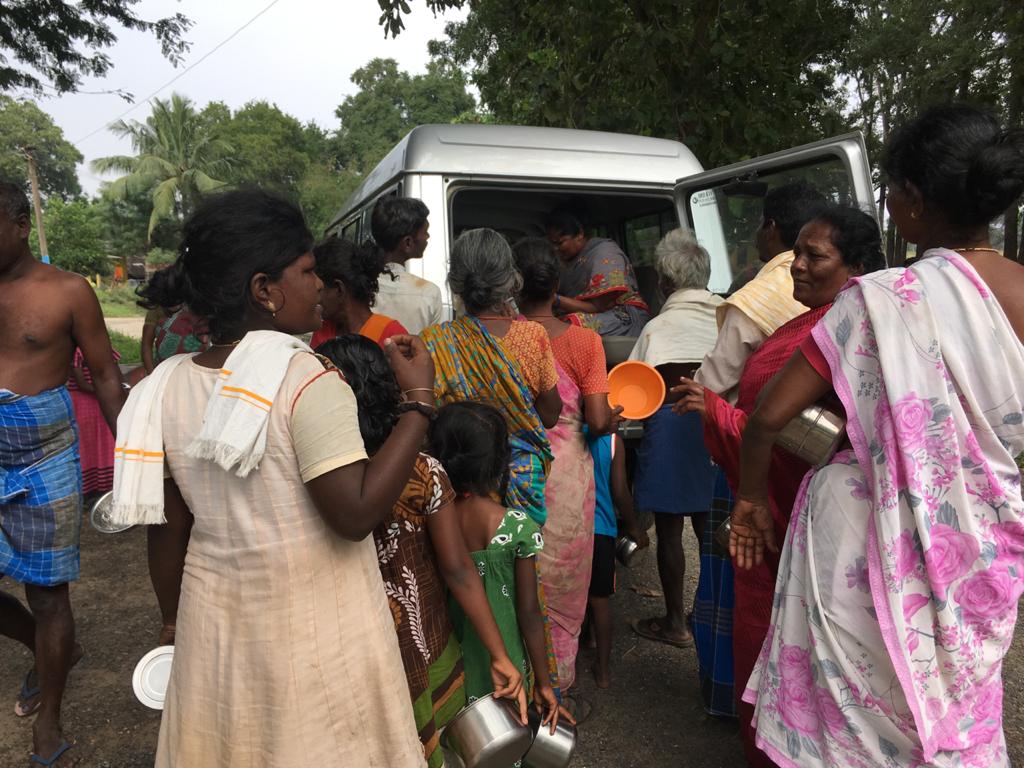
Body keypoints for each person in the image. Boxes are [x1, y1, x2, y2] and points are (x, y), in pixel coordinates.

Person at [734, 105, 1024, 768]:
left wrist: (751, 499)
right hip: (980, 549)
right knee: (951, 710)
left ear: (916, 202)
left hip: (860, 541)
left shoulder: (882, 298)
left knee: (852, 726)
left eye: (892, 191)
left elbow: (770, 417)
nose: (889, 206)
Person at [119, 188, 436, 767]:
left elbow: (168, 530)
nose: (319, 285)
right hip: (315, 627)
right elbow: (355, 514)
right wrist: (417, 403)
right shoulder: (306, 379)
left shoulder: (164, 385)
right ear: (265, 290)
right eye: (308, 271)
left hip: (215, 620)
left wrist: (172, 621)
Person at [675, 204, 886, 767]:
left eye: (815, 256)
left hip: (801, 515)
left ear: (856, 268)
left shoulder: (846, 329)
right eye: (795, 253)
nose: (796, 266)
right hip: (776, 503)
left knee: (795, 643)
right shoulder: (807, 320)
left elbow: (813, 439)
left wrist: (717, 413)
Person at [317, 335, 527, 766]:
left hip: (348, 654)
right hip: (425, 644)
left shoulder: (320, 480)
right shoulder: (423, 470)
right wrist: (500, 654)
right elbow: (458, 571)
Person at [0, 180, 124, 766]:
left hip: (44, 458)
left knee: (48, 595)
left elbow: (104, 375)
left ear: (22, 225)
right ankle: (47, 650)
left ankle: (49, 714)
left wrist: (135, 456)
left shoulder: (69, 291)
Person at [428, 402, 571, 734]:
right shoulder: (516, 526)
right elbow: (529, 613)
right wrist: (545, 682)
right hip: (503, 657)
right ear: (499, 462)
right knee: (504, 736)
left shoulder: (429, 524)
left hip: (447, 658)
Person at [512, 236, 612, 692]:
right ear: (557, 287)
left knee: (515, 574)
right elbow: (595, 419)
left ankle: (513, 684)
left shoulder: (500, 338)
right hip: (568, 479)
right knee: (566, 585)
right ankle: (557, 687)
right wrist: (612, 419)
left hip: (513, 475)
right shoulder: (585, 343)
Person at [420, 228, 561, 526]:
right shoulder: (532, 336)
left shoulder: (433, 341)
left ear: (456, 281)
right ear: (510, 279)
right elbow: (550, 415)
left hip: (460, 482)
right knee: (520, 562)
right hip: (522, 482)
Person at [628, 229, 723, 650]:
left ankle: (674, 623)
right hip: (717, 427)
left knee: (670, 533)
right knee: (710, 529)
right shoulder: (728, 315)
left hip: (669, 429)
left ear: (664, 282)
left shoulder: (658, 327)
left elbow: (633, 385)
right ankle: (708, 614)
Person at [694, 182, 826, 403]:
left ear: (770, 228)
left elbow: (710, 387)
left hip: (757, 425)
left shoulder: (754, 300)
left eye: (759, 224)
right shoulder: (832, 284)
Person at [586, 429, 648, 689]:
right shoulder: (613, 442)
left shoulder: (564, 431)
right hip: (601, 530)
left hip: (569, 528)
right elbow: (620, 490)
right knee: (600, 600)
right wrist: (635, 527)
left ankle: (580, 643)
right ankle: (602, 671)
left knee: (570, 592)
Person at [544, 208, 650, 337]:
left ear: (580, 235)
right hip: (597, 314)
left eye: (559, 243)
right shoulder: (569, 260)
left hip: (623, 316)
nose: (555, 248)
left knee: (564, 326)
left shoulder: (604, 252)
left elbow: (598, 307)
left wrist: (556, 299)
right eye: (551, 243)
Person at [309, 237, 408, 349]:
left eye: (319, 290)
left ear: (339, 289)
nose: (314, 298)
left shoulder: (392, 336)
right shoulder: (322, 332)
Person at [371, 197, 444, 334]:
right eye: (425, 231)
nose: (427, 236)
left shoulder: (359, 284)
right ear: (408, 243)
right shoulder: (429, 293)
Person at [68, 347, 120, 501]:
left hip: (100, 402)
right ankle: (90, 489)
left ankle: (103, 488)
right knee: (87, 445)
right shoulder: (76, 352)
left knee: (103, 443)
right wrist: (109, 391)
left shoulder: (105, 349)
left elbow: (115, 372)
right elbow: (81, 383)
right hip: (84, 402)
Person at [140, 304, 210, 372]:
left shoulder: (198, 305)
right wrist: (151, 373)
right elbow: (146, 344)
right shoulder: (156, 310)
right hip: (165, 369)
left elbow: (206, 340)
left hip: (197, 367)